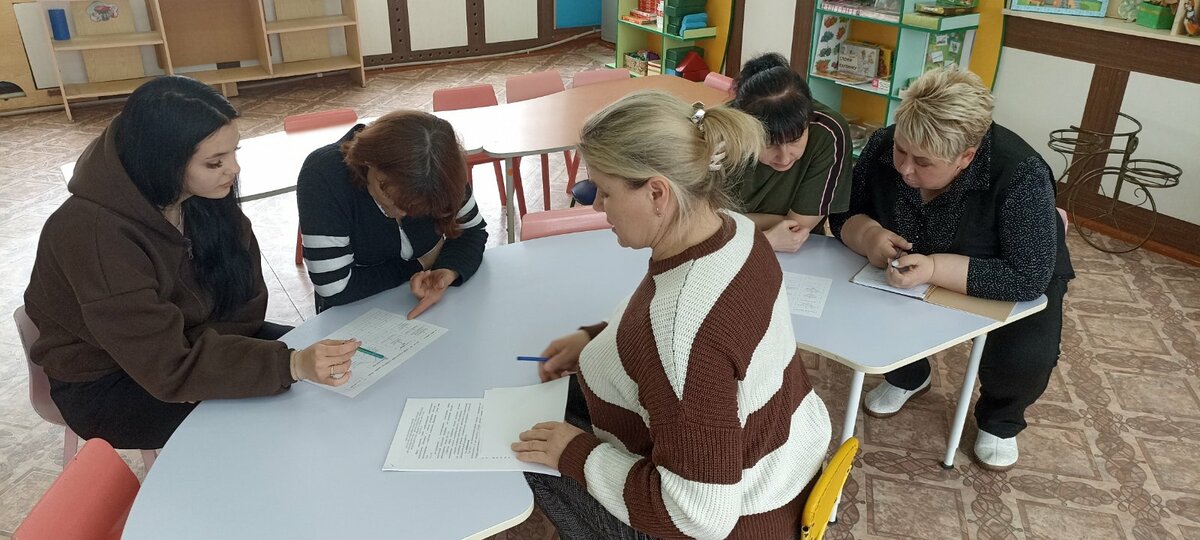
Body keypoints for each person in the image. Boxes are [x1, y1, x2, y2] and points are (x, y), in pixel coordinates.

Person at [510, 91, 832, 540]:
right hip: (782, 463)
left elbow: (698, 515)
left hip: (744, 520)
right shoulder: (738, 231)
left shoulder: (681, 336)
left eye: (605, 191)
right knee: (552, 405)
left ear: (657, 193)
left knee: (530, 453)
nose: (596, 206)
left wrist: (574, 454)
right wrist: (595, 337)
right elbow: (688, 322)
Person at [24, 76, 358, 450]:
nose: (233, 169)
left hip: (195, 344)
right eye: (215, 162)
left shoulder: (201, 194)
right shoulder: (92, 233)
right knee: (276, 413)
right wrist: (289, 365)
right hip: (110, 381)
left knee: (330, 368)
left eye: (234, 152)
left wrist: (273, 361)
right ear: (163, 162)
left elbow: (246, 301)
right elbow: (165, 368)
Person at [829, 68, 1074, 471]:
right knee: (873, 303)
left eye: (923, 162)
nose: (905, 169)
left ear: (966, 157)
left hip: (1003, 269)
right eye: (901, 151)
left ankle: (1000, 419)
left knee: (1026, 352)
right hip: (911, 259)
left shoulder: (1021, 172)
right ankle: (908, 375)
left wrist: (934, 269)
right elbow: (843, 215)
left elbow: (1028, 276)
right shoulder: (883, 145)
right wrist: (869, 236)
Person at [296, 111, 487, 318]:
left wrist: (448, 271)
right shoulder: (325, 175)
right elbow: (335, 287)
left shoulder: (439, 167)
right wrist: (420, 264)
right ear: (368, 162)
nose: (400, 212)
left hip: (431, 307)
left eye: (417, 208)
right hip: (351, 313)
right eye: (387, 194)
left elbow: (472, 231)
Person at [731, 52, 853, 253]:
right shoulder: (721, 131)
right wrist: (767, 239)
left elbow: (797, 228)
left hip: (801, 253)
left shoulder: (827, 131)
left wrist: (728, 221)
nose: (785, 158)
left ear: (808, 120)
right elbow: (696, 224)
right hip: (726, 254)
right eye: (769, 144)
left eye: (795, 140)